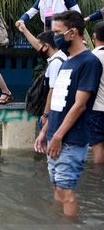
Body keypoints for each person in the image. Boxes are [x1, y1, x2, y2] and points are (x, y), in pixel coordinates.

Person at [34, 11, 102, 217]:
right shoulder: (66, 62)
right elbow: (58, 103)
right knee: (57, 188)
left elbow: (80, 105)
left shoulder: (89, 62)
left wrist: (58, 136)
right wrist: (45, 131)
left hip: (71, 139)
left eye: (57, 32)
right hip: (56, 135)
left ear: (72, 32)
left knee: (66, 191)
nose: (54, 36)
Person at [17, 22, 67, 126]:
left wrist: (45, 115)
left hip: (53, 115)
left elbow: (52, 90)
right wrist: (24, 30)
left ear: (46, 47)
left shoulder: (56, 63)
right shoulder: (61, 57)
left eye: (40, 45)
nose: (37, 47)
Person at [88, 22, 104, 163]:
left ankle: (97, 180)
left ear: (94, 37)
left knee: (97, 145)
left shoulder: (92, 57)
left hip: (97, 108)